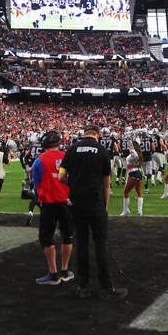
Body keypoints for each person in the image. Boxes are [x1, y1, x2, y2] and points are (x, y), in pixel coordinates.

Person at [60, 126, 126, 299]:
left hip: (76, 203)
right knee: (100, 244)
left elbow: (61, 177)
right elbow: (106, 183)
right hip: (95, 203)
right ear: (97, 135)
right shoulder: (102, 151)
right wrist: (105, 206)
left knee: (81, 243)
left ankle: (84, 286)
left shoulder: (72, 150)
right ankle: (106, 286)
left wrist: (74, 186)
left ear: (84, 135)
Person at [32, 130, 74, 286]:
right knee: (67, 235)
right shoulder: (67, 157)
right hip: (66, 201)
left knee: (46, 236)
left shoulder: (39, 160)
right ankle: (64, 270)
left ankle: (53, 273)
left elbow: (36, 186)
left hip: (48, 202)